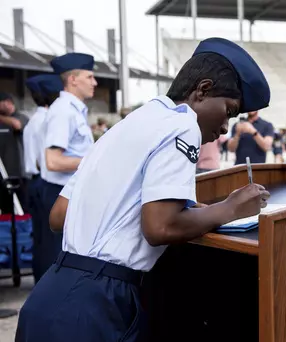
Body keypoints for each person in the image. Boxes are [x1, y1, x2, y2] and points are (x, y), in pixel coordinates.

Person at [15, 37, 271, 342]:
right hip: (98, 303)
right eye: (229, 111)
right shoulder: (183, 124)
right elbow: (160, 226)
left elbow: (59, 215)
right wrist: (231, 207)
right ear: (203, 90)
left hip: (51, 292)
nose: (226, 127)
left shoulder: (127, 125)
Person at [38, 52, 97, 278]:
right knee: (59, 256)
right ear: (73, 79)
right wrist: (93, 162)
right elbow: (53, 161)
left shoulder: (74, 110)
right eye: (89, 77)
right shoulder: (63, 111)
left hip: (70, 192)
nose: (95, 82)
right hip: (59, 193)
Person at [23, 74, 63, 283]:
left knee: (40, 239)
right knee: (51, 241)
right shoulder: (48, 120)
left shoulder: (33, 121)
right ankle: (49, 283)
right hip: (46, 179)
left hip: (34, 180)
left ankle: (41, 282)